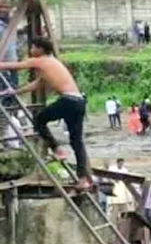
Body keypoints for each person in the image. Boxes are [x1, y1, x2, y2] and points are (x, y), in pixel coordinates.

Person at [0, 38, 92, 190]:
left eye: (33, 48)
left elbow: (14, 66)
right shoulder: (51, 62)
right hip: (78, 101)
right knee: (77, 142)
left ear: (40, 49)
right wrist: (14, 91)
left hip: (68, 101)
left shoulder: (41, 61)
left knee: (39, 120)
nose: (31, 51)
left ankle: (56, 149)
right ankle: (83, 179)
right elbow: (37, 84)